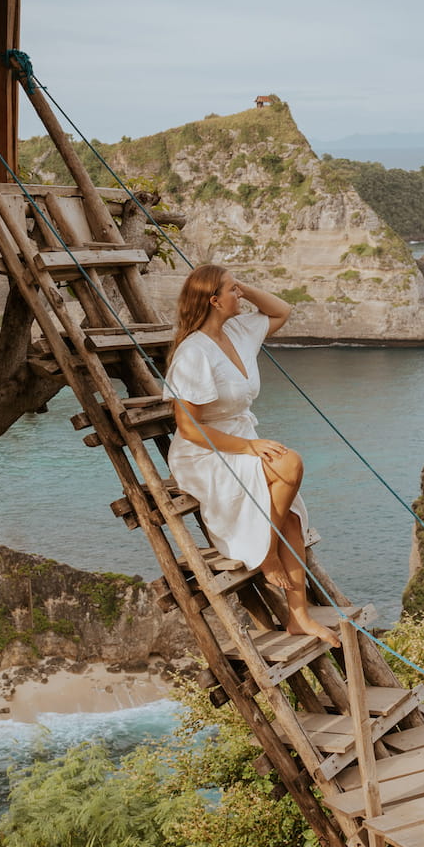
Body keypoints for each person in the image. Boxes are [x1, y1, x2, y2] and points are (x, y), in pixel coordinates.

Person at [163, 264, 337, 647]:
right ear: (213, 301)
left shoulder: (237, 331)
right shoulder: (193, 353)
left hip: (242, 440)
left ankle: (298, 615)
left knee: (291, 515)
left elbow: (281, 311)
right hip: (204, 453)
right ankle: (267, 553)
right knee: (291, 463)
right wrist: (249, 447)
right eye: (231, 291)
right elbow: (189, 429)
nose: (239, 295)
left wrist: (240, 285)